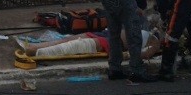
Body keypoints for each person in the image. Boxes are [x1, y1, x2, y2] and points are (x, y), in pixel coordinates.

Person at [17, 29, 160, 60]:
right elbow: (145, 53)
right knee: (67, 42)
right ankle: (35, 49)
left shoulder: (152, 40)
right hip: (104, 37)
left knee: (68, 43)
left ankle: (35, 50)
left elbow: (144, 53)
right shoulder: (149, 36)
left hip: (105, 40)